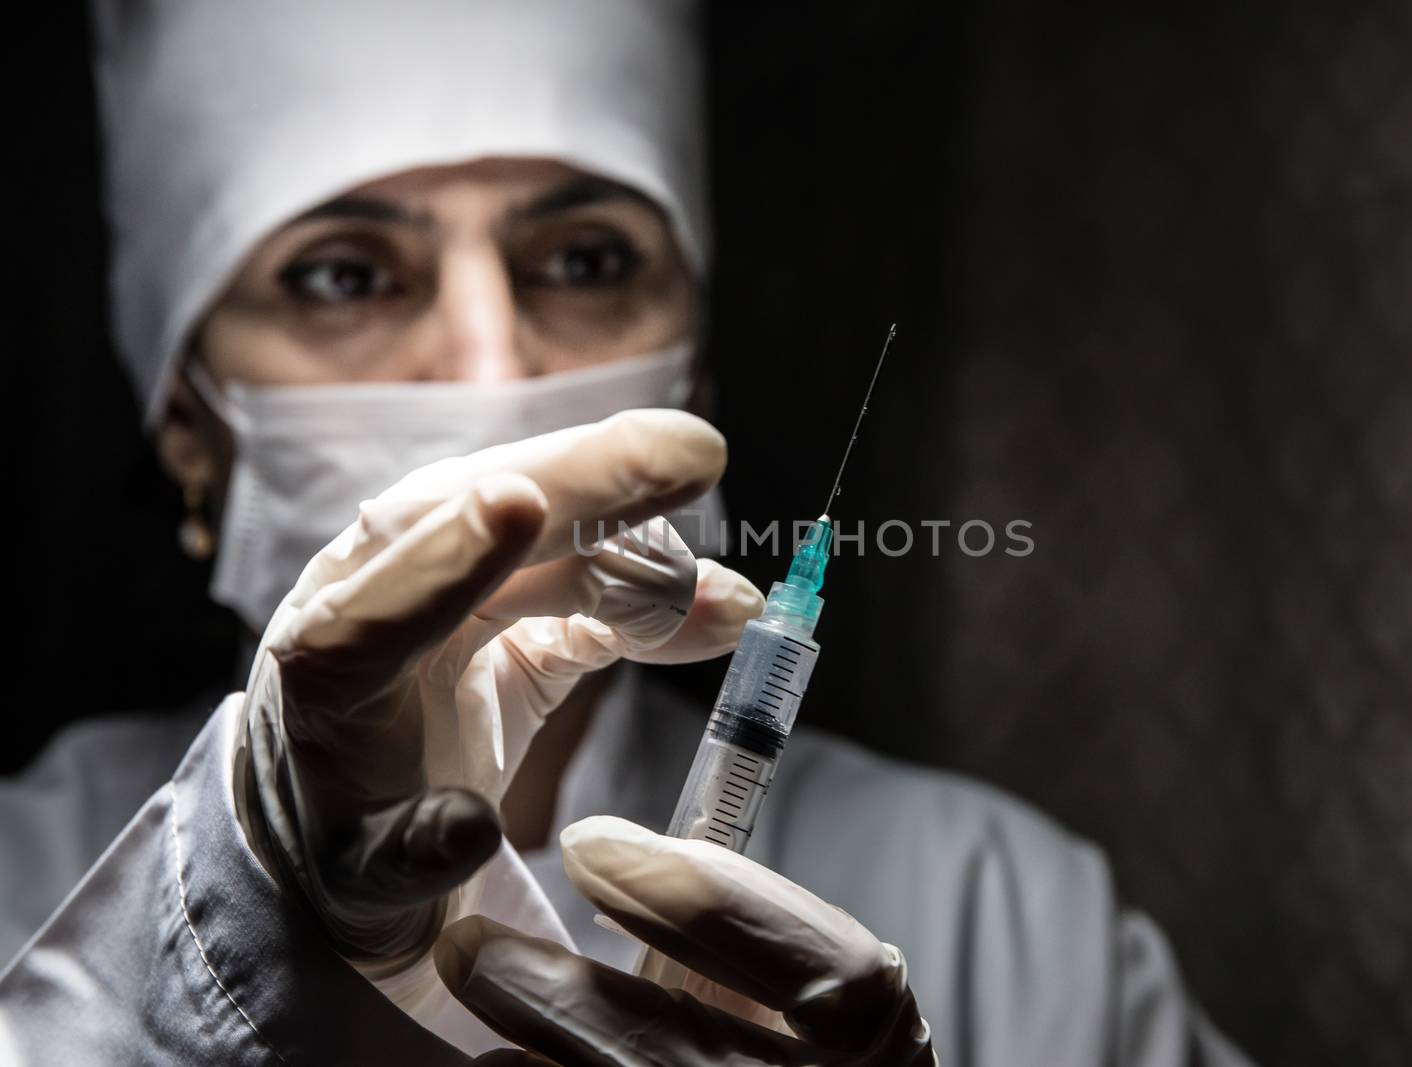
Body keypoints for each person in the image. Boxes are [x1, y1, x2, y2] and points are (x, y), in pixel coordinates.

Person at [0, 2, 1252, 1063]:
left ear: (696, 370)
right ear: (188, 426)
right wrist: (214, 944)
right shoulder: (24, 871)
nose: (491, 363)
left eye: (587, 257)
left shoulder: (1013, 918)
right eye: (345, 274)